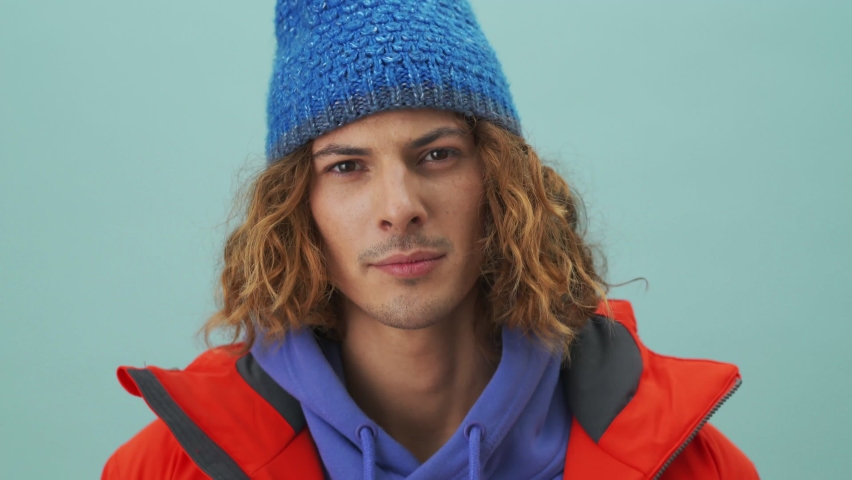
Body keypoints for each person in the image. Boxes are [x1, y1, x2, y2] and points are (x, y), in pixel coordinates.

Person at [102, 1, 759, 479]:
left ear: (499, 181)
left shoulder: (696, 465)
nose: (400, 208)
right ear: (298, 210)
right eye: (347, 167)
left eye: (437, 155)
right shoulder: (162, 468)